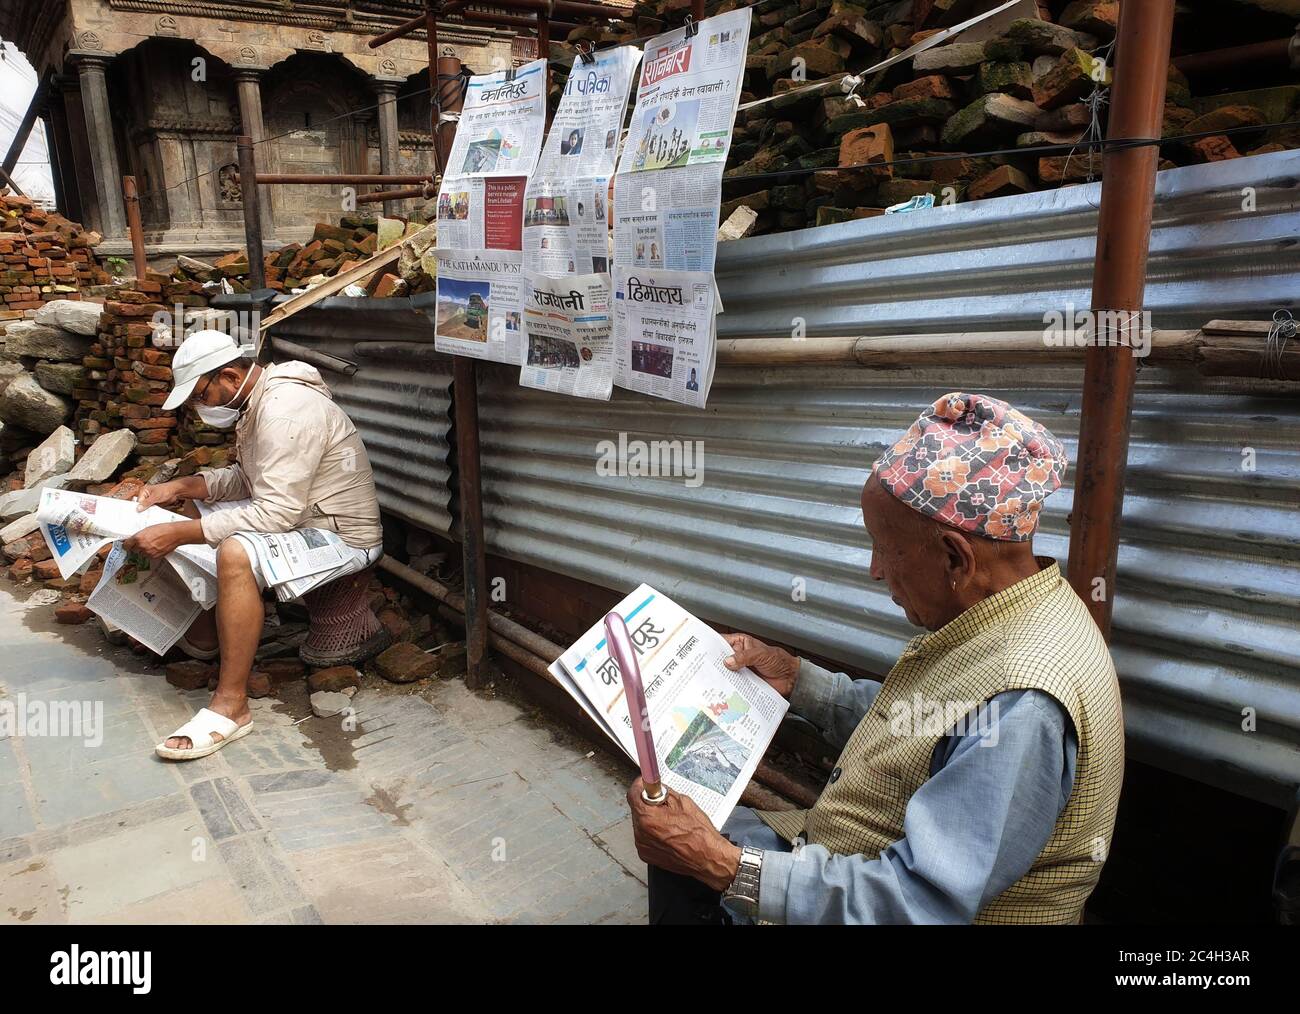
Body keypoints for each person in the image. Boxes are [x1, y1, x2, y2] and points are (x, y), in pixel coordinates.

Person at [627, 392, 1125, 924]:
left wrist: (724, 866)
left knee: (692, 853)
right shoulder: (1023, 608)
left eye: (882, 548)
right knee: (683, 841)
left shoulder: (1024, 702)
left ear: (956, 556)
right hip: (849, 855)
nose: (874, 570)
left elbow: (916, 904)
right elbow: (933, 728)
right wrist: (799, 680)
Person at [124, 331, 384, 761]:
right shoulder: (256, 401)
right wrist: (183, 486)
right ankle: (205, 639)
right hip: (303, 518)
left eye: (201, 394)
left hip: (341, 536)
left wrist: (180, 534)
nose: (198, 407)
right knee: (186, 511)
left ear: (228, 375)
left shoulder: (285, 410)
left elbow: (274, 514)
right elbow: (252, 480)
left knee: (235, 552)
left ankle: (232, 704)